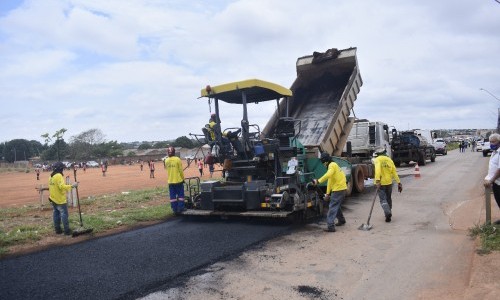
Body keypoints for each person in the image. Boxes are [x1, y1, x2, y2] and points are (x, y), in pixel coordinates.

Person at [312, 152, 347, 232]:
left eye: (323, 162)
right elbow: (330, 181)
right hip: (341, 188)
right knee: (336, 204)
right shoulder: (333, 166)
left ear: (326, 161)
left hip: (338, 188)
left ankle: (330, 226)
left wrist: (318, 181)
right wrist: (327, 194)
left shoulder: (332, 165)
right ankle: (341, 220)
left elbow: (328, 175)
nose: (323, 164)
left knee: (332, 206)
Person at [373, 147, 403, 222]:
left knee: (383, 199)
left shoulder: (377, 159)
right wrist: (399, 182)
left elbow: (378, 170)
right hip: (389, 183)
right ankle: (389, 212)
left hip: (381, 183)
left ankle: (387, 212)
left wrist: (377, 180)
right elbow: (394, 172)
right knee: (388, 198)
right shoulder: (389, 160)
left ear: (377, 154)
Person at [48, 162, 78, 235]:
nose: (63, 170)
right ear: (60, 168)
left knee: (56, 214)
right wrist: (72, 186)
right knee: (64, 214)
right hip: (60, 200)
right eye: (62, 168)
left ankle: (58, 230)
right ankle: (67, 231)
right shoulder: (58, 176)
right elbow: (62, 186)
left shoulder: (51, 176)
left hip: (53, 199)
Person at [163, 147, 186, 215]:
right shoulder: (177, 159)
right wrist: (183, 179)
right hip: (178, 180)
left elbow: (167, 169)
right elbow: (180, 171)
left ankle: (174, 209)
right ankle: (181, 208)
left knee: (172, 197)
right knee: (181, 195)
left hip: (170, 181)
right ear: (174, 152)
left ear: (168, 153)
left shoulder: (166, 160)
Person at [483, 133, 500, 224]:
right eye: (490, 142)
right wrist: (488, 178)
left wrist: (491, 180)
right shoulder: (494, 152)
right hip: (496, 182)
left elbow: (499, 170)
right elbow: (493, 168)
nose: (491, 144)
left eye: (494, 142)